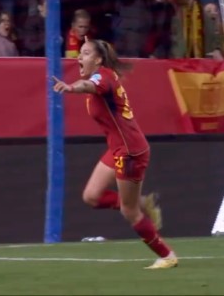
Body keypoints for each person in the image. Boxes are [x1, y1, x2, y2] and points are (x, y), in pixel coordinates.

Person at [52, 38, 178, 269]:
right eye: (80, 53)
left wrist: (71, 87)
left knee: (128, 211)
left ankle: (166, 255)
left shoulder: (102, 77)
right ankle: (142, 202)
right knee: (91, 196)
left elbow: (87, 85)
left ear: (98, 59)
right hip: (118, 147)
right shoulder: (102, 76)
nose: (80, 57)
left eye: (86, 53)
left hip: (129, 151)